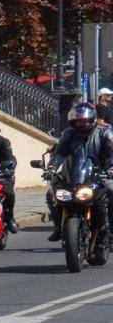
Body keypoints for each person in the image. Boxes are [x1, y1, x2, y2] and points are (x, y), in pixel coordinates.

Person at [44, 102, 113, 258]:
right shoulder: (69, 134)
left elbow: (111, 153)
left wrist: (110, 168)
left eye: (84, 120)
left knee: (111, 191)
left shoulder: (105, 133)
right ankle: (57, 226)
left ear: (92, 119)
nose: (81, 123)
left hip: (98, 174)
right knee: (51, 193)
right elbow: (60, 153)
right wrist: (51, 168)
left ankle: (109, 230)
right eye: (78, 120)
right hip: (73, 176)